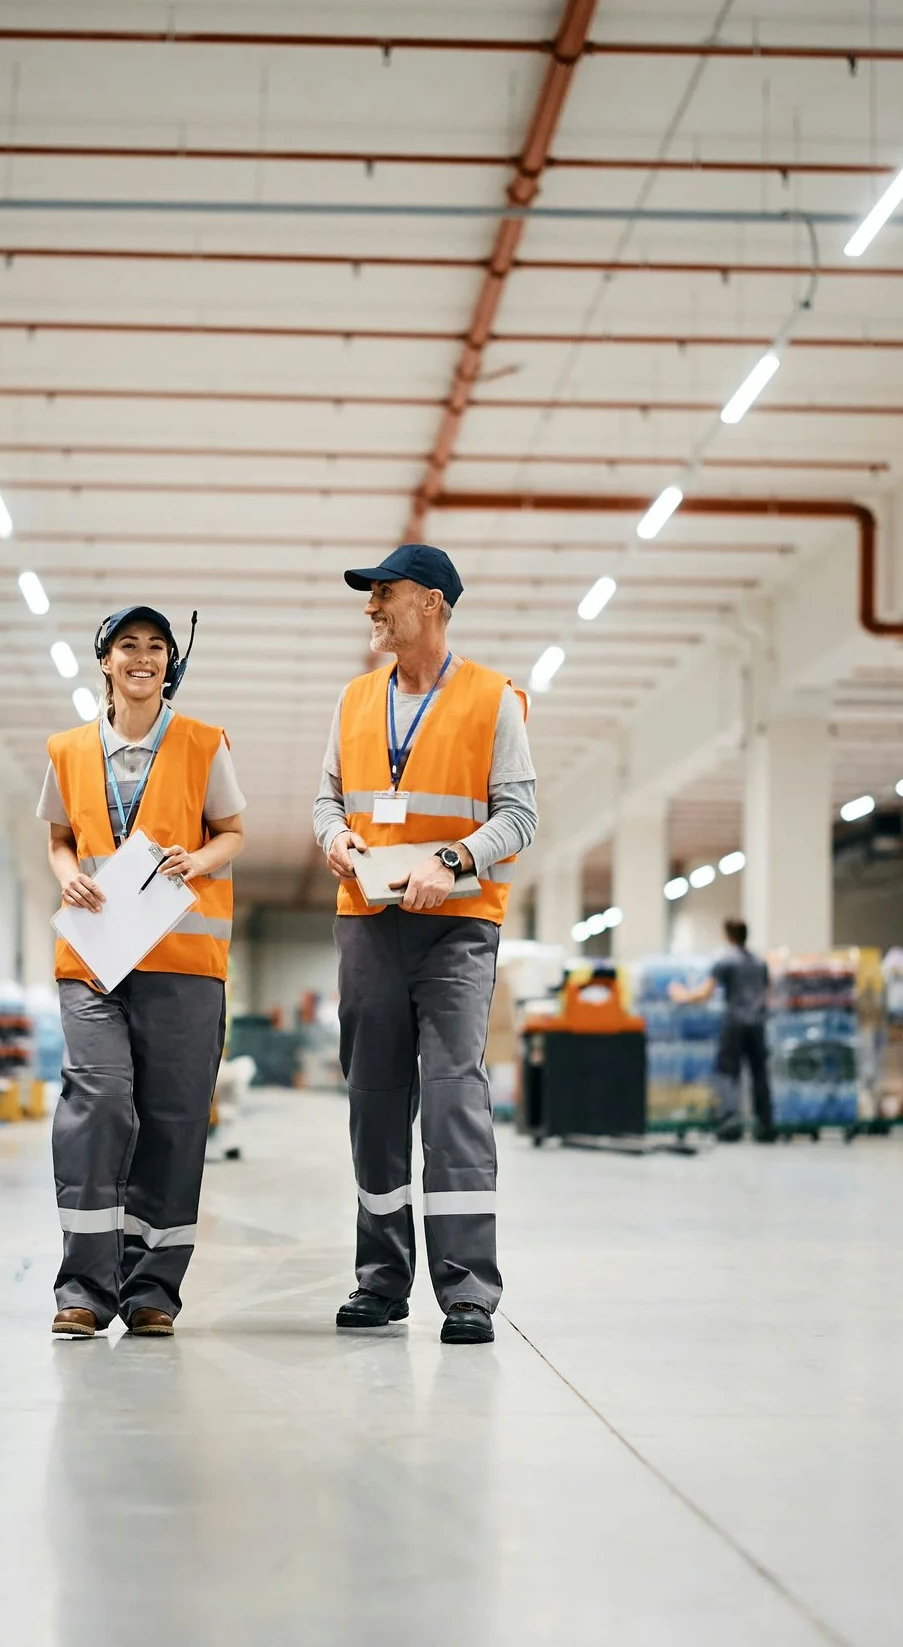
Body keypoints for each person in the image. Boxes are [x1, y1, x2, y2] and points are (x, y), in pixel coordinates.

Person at [314, 543, 534, 1346]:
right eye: (370, 596)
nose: (372, 608)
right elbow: (326, 798)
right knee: (374, 1102)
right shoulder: (353, 700)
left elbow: (520, 817)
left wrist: (453, 858)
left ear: (433, 604)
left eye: (385, 594)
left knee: (452, 1099)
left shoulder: (492, 700)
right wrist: (334, 836)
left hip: (456, 927)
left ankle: (468, 1289)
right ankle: (380, 1280)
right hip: (369, 921)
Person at [40, 607, 245, 1341]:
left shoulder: (201, 742)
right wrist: (68, 876)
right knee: (97, 1103)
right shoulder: (68, 748)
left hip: (183, 962)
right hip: (94, 958)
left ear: (170, 663)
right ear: (104, 660)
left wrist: (201, 859)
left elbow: (232, 832)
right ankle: (84, 1288)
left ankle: (153, 1286)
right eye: (129, 645)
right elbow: (61, 839)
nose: (144, 657)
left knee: (174, 1119)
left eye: (157, 647)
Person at [669, 919, 773, 1141]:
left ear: (727, 936)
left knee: (728, 1073)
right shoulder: (758, 962)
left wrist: (681, 995)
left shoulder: (726, 961)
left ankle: (729, 1122)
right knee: (759, 1074)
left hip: (735, 1023)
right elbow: (767, 993)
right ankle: (765, 1125)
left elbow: (706, 992)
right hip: (757, 1024)